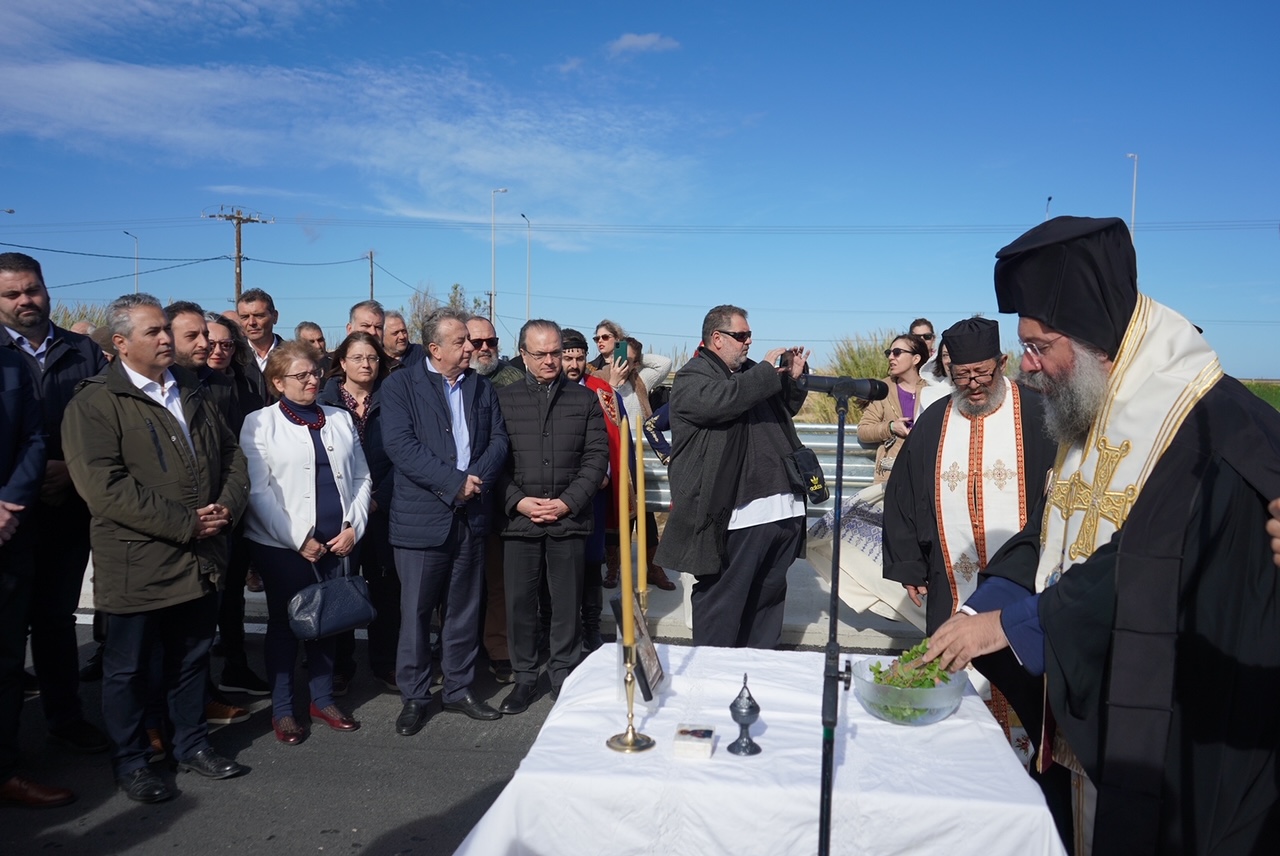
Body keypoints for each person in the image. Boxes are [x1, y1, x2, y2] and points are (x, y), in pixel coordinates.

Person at [924, 216, 1280, 855]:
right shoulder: (1095, 400)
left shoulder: (1207, 428)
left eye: (1038, 347)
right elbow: (1059, 522)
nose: (1028, 369)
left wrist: (1014, 626)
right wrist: (985, 603)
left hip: (1176, 729)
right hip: (1088, 701)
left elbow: (1149, 561)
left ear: (1095, 338)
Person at [62, 293, 250, 803]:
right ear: (120, 343)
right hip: (137, 560)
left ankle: (191, 744)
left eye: (167, 329)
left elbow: (232, 456)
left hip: (200, 556)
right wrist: (185, 522)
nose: (166, 338)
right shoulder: (96, 402)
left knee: (191, 659)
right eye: (153, 332)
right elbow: (104, 487)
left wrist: (226, 508)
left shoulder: (192, 389)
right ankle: (133, 761)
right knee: (128, 669)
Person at [0, 252, 110, 755]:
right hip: (8, 513)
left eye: (33, 290)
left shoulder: (82, 351)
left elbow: (102, 424)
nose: (26, 301)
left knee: (56, 618)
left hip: (68, 503)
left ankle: (65, 718)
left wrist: (70, 468)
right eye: (12, 294)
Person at [381, 309, 509, 734]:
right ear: (434, 349)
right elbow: (401, 446)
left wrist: (476, 482)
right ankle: (416, 696)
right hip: (422, 520)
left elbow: (497, 441)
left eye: (471, 342)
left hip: (470, 517)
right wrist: (453, 484)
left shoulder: (479, 386)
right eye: (461, 342)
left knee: (462, 611)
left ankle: (458, 690)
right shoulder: (401, 385)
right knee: (416, 613)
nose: (471, 348)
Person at [655, 305, 810, 649]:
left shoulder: (753, 374)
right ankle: (710, 683)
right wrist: (767, 374)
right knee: (722, 604)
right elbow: (723, 401)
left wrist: (793, 379)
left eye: (750, 335)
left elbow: (783, 407)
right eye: (741, 336)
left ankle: (754, 677)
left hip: (781, 511)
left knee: (766, 605)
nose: (749, 342)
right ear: (716, 339)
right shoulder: (692, 377)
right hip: (736, 518)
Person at [240, 341, 372, 745]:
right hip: (282, 545)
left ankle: (321, 698)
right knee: (286, 624)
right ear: (278, 382)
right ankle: (283, 710)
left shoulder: (338, 418)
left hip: (339, 541)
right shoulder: (259, 423)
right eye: (302, 376)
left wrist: (354, 526)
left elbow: (362, 477)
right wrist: (299, 539)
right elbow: (259, 493)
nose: (313, 380)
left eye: (315, 373)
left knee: (328, 621)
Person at [495, 320, 609, 710]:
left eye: (555, 353)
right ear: (523, 354)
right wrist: (517, 500)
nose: (550, 361)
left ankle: (563, 673)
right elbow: (494, 460)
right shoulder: (503, 400)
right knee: (521, 605)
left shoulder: (584, 400)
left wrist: (567, 502)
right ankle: (525, 677)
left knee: (566, 604)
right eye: (540, 354)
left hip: (569, 519)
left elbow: (596, 458)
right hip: (520, 520)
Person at [166, 302, 266, 715]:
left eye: (224, 342)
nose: (213, 348)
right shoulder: (179, 386)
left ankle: (230, 671)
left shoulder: (233, 383)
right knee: (186, 618)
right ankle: (185, 701)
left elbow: (238, 450)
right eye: (204, 339)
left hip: (229, 506)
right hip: (184, 516)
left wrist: (229, 503)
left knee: (226, 601)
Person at [0, 346, 72, 808]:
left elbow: (31, 438)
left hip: (10, 525)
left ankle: (5, 768)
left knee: (6, 658)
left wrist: (8, 502)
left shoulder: (9, 364)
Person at [319, 332, 401, 694]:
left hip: (384, 509)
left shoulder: (396, 398)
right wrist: (351, 505)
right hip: (341, 514)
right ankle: (340, 666)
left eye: (372, 358)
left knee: (387, 591)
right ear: (342, 363)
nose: (366, 364)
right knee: (342, 589)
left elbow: (406, 454)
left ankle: (386, 663)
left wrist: (378, 499)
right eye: (357, 357)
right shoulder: (324, 402)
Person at [561, 329, 627, 651]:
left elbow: (616, 436)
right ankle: (561, 630)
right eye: (568, 357)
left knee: (591, 560)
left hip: (594, 493)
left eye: (579, 357)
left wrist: (606, 472)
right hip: (557, 494)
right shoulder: (548, 391)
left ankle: (591, 626)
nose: (574, 365)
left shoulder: (602, 391)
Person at [467, 314, 524, 683]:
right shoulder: (449, 382)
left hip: (503, 494)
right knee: (461, 584)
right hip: (458, 495)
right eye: (477, 342)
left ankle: (500, 648)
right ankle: (459, 649)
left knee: (500, 581)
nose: (485, 348)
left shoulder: (514, 379)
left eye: (491, 342)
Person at [604, 336, 676, 591]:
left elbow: (664, 363)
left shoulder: (640, 381)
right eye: (616, 356)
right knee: (616, 517)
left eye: (627, 359)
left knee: (645, 516)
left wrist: (635, 358)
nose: (620, 362)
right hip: (615, 459)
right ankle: (614, 567)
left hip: (641, 462)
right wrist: (612, 376)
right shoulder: (602, 381)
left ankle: (652, 568)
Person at [857, 333, 929, 484]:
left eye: (897, 353)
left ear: (916, 359)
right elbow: (863, 431)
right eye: (889, 353)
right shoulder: (882, 390)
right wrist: (891, 427)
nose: (891, 357)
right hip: (891, 477)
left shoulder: (933, 389)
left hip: (926, 474)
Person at [236, 288, 284, 407]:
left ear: (275, 317)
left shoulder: (293, 356)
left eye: (259, 316)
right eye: (244, 317)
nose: (251, 322)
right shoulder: (233, 356)